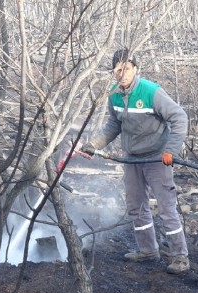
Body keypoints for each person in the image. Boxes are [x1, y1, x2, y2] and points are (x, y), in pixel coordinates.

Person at [80, 49, 190, 274]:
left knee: (166, 207)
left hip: (157, 158)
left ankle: (180, 256)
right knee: (136, 205)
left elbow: (179, 117)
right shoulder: (114, 94)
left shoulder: (151, 92)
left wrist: (171, 150)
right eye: (118, 70)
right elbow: (113, 124)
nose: (122, 74)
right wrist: (95, 144)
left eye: (127, 69)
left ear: (135, 69)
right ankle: (148, 249)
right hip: (132, 160)